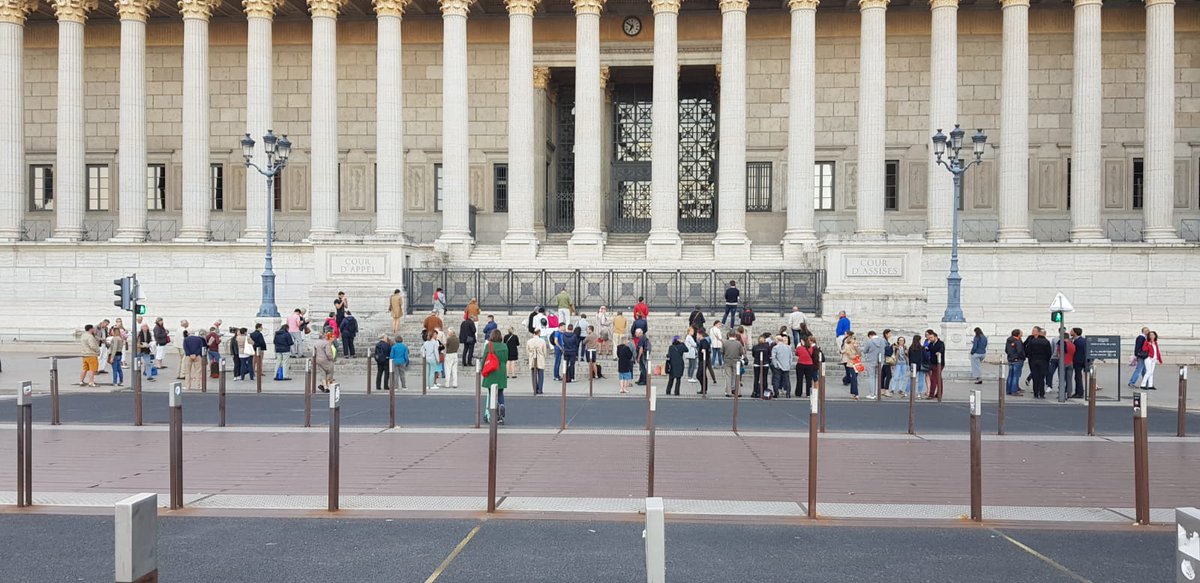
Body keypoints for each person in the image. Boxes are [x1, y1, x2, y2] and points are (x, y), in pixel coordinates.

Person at [481, 330, 508, 423]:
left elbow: (484, 359)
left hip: (492, 371)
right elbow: (506, 359)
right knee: (500, 392)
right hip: (501, 371)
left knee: (491, 393)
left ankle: (493, 413)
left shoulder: (489, 346)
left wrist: (482, 369)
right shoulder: (504, 346)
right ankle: (501, 406)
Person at [1025, 327, 1052, 399]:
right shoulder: (1046, 342)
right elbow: (1049, 353)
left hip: (1033, 361)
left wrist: (1030, 359)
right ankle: (1041, 394)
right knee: (1041, 378)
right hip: (1043, 361)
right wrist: (1046, 360)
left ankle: (1036, 393)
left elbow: (1028, 351)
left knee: (1035, 377)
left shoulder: (1032, 341)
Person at [861, 331, 886, 400]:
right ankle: (877, 393)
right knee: (878, 377)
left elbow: (865, 351)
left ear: (870, 336)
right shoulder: (883, 341)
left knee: (871, 377)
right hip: (880, 360)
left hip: (871, 360)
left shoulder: (869, 341)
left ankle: (872, 394)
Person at [1004, 329, 1026, 397]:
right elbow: (1020, 351)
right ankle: (1014, 390)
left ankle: (1008, 390)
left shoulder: (1009, 340)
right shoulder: (1017, 341)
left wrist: (1011, 356)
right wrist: (1022, 357)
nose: (1022, 334)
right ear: (1018, 334)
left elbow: (1006, 350)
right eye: (1021, 333)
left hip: (1010, 359)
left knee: (1010, 375)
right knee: (1015, 376)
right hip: (1017, 360)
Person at [723, 332, 746, 397]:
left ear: (729, 335)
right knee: (736, 376)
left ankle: (728, 392)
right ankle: (738, 392)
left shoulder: (725, 343)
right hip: (736, 361)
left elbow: (722, 351)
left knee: (728, 377)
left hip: (727, 361)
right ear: (735, 336)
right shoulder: (738, 343)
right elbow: (741, 352)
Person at [926, 330, 946, 400]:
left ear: (936, 337)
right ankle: (939, 393)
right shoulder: (930, 344)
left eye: (931, 337)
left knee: (934, 378)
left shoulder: (940, 343)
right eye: (929, 338)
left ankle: (931, 394)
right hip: (932, 363)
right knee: (938, 378)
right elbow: (928, 349)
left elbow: (942, 349)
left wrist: (939, 352)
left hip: (939, 363)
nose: (930, 339)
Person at [841, 333, 861, 400]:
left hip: (856, 364)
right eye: (853, 340)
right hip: (851, 364)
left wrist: (856, 348)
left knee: (854, 379)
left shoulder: (855, 346)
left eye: (855, 340)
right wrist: (856, 355)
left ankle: (853, 392)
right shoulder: (847, 346)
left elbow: (860, 354)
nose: (854, 341)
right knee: (854, 379)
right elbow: (850, 356)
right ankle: (856, 393)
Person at [526, 330, 547, 394]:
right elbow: (544, 351)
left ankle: (535, 389)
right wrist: (544, 357)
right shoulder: (542, 341)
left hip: (532, 359)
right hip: (540, 358)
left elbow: (527, 351)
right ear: (539, 333)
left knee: (533, 375)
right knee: (541, 375)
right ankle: (540, 389)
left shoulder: (529, 341)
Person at [1070, 328, 1088, 399]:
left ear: (1075, 333)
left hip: (1078, 361)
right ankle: (1079, 392)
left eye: (1071, 331)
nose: (1070, 332)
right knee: (1078, 377)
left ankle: (1079, 393)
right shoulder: (1084, 340)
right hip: (1083, 360)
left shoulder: (1076, 341)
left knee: (1078, 377)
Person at [751, 334, 771, 398]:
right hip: (765, 363)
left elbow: (753, 355)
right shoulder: (767, 347)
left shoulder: (755, 347)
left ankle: (755, 391)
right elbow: (769, 354)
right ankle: (764, 391)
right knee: (764, 378)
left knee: (756, 378)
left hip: (757, 363)